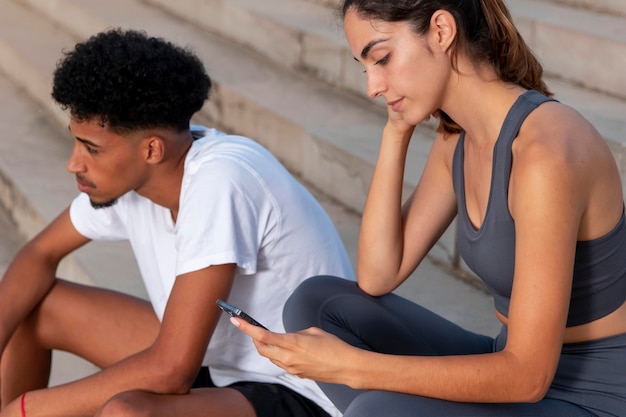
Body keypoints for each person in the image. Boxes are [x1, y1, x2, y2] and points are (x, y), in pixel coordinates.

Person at [232, 1, 626, 416]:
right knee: (315, 303)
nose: (373, 85)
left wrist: (355, 368)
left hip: (591, 397)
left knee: (378, 408)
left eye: (381, 58)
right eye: (366, 67)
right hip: (507, 361)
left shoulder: (546, 155)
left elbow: (527, 377)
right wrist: (396, 129)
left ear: (441, 30)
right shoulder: (458, 141)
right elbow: (379, 274)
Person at [0, 29, 354, 417]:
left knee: (128, 413)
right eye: (76, 142)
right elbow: (39, 253)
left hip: (301, 388)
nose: (74, 163)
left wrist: (21, 410)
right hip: (218, 365)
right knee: (31, 307)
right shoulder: (136, 178)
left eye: (92, 149)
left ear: (151, 148)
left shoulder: (221, 179)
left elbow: (171, 370)